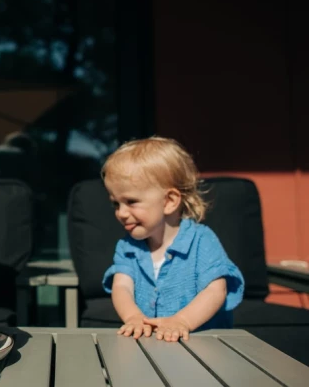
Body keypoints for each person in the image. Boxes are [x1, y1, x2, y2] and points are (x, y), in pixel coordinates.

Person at [101, 136, 244, 342]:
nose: (121, 213)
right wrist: (133, 317)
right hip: (151, 346)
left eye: (131, 202)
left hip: (202, 346)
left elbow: (216, 289)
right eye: (116, 204)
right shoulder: (127, 247)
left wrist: (182, 321)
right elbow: (122, 286)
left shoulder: (201, 240)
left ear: (169, 201)